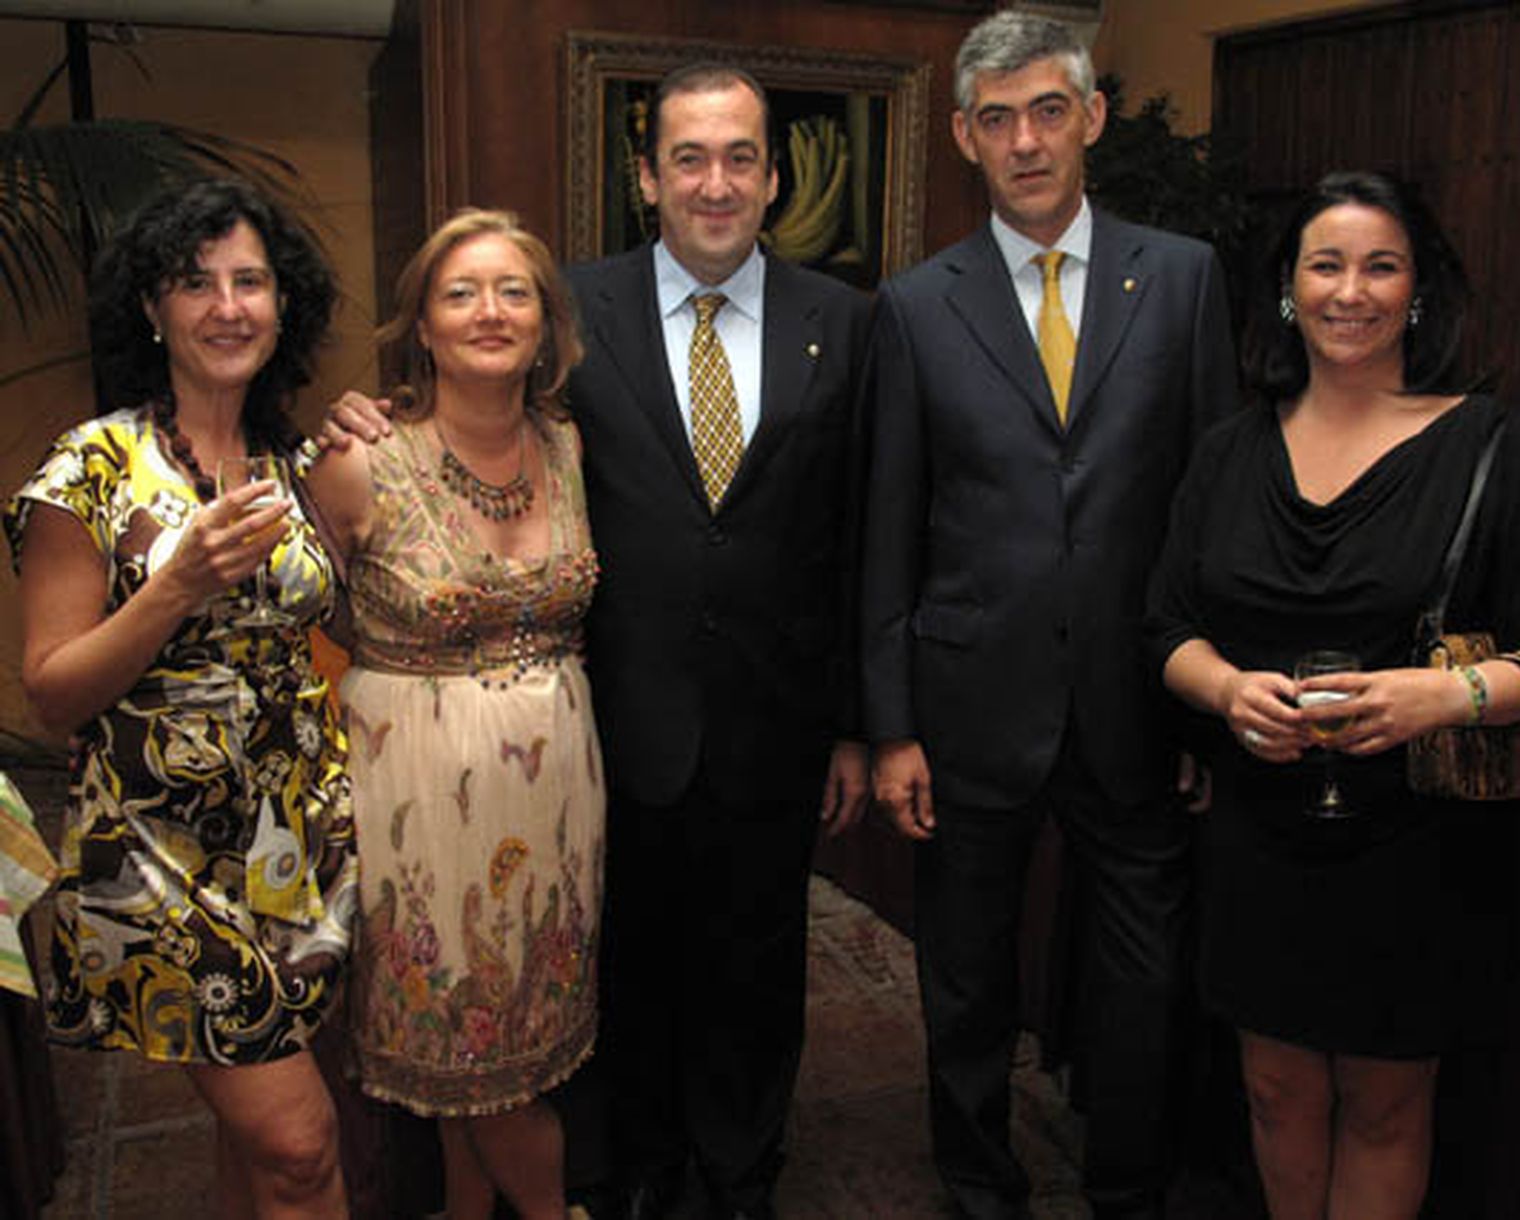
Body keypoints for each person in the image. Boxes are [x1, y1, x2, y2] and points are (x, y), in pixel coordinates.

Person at [326, 62, 871, 1220]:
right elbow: (460, 424)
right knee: (613, 974)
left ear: (772, 177)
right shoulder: (564, 311)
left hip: (774, 725)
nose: (714, 182)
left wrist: (862, 725)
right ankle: (629, 1173)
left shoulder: (847, 324)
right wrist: (361, 412)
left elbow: (859, 532)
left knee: (759, 973)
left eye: (738, 158)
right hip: (615, 730)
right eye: (688, 158)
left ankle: (739, 1175)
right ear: (646, 177)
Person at [1146, 170, 1520, 1219]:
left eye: (1380, 265)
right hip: (1260, 830)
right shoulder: (1228, 451)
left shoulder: (1497, 446)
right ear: (1285, 291)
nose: (1351, 290)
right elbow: (1164, 626)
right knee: (1272, 1085)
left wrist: (1447, 695)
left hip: (1419, 843)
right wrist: (1225, 690)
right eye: (1326, 263)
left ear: (1419, 293)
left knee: (1389, 1099)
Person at [860, 12, 1238, 1220]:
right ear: (966, 137)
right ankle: (978, 1183)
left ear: (1090, 116)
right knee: (964, 977)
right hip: (970, 705)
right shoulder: (915, 306)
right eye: (996, 119)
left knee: (1143, 977)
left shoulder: (1182, 279)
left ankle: (1128, 1186)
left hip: (1140, 698)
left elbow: (1207, 504)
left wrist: (1207, 705)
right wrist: (893, 725)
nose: (1024, 141)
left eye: (1046, 111)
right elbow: (890, 527)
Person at [4, 178, 356, 1217]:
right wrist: (177, 584)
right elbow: (51, 693)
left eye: (250, 280)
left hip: (292, 844)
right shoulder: (90, 466)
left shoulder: (294, 467)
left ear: (281, 305)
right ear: (151, 308)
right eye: (194, 282)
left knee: (254, 1144)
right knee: (300, 1141)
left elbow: (338, 630)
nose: (227, 304)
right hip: (161, 858)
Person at [306, 209, 600, 1219]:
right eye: (459, 292)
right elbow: (304, 625)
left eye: (513, 291)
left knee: (515, 1054)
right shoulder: (357, 461)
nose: (489, 310)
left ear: (547, 325)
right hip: (419, 799)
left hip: (558, 794)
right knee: (466, 1043)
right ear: (421, 327)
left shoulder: (566, 446)